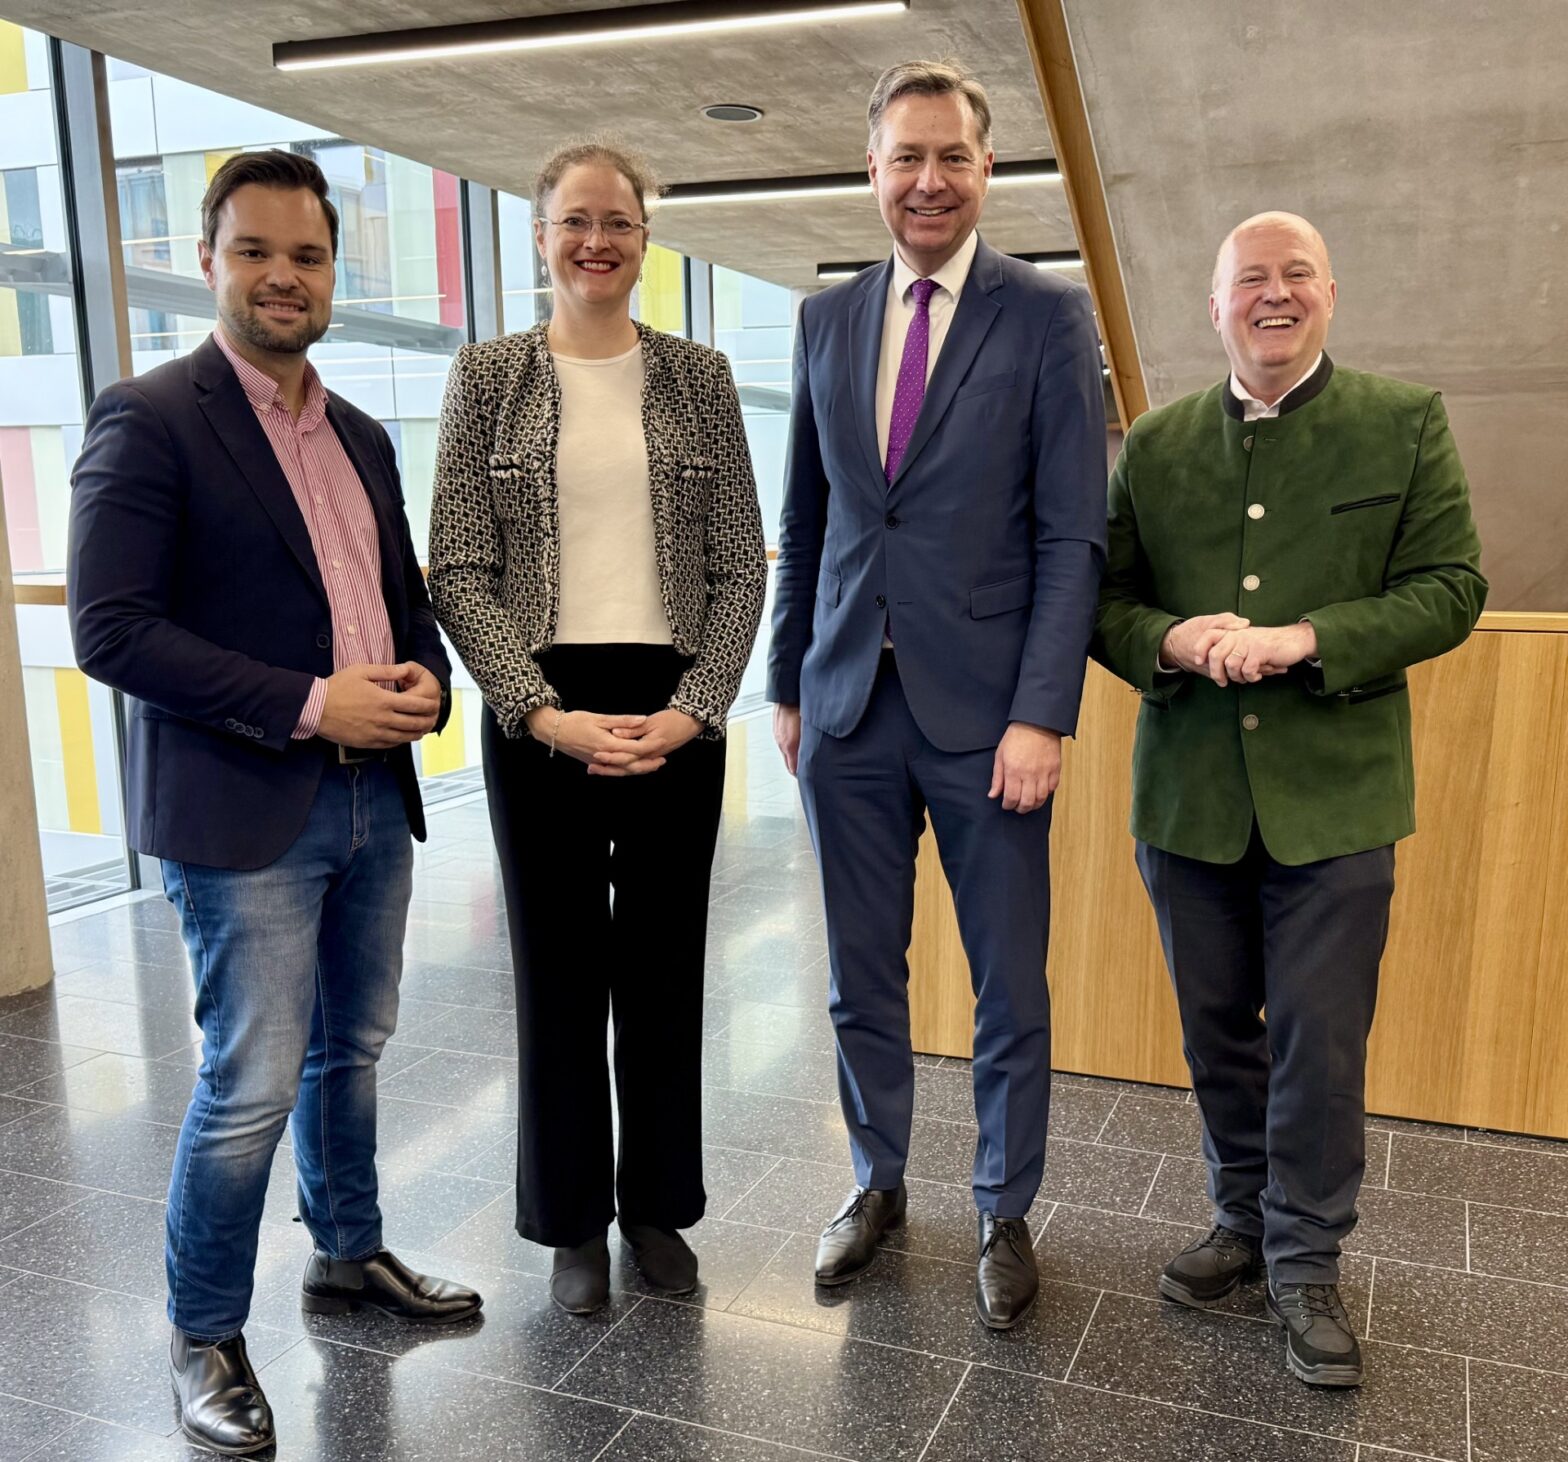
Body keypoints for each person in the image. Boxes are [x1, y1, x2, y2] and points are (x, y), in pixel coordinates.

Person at [68, 149, 481, 1456]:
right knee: (249, 1079)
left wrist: (427, 678)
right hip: (246, 806)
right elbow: (111, 628)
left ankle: (347, 1253)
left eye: (306, 255)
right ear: (209, 261)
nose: (283, 276)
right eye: (256, 251)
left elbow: (397, 600)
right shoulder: (150, 417)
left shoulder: (359, 431)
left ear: (331, 272)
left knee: (351, 1046)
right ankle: (204, 1333)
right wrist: (314, 701)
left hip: (373, 801)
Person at [1091, 211, 1486, 1387]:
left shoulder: (1400, 423)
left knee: (1318, 1040)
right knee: (1215, 1032)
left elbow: (1451, 588)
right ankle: (1243, 1220)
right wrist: (1170, 639)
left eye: (1294, 276)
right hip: (1189, 799)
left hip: (1337, 802)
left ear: (1329, 293)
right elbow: (1101, 602)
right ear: (1211, 307)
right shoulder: (1154, 446)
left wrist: (1311, 636)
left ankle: (1307, 1262)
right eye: (1247, 281)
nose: (1272, 295)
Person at [766, 60, 1107, 1330]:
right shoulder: (826, 321)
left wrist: (1042, 712)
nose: (926, 180)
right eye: (903, 158)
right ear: (870, 173)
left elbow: (1072, 536)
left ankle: (1003, 1207)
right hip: (845, 702)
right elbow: (806, 521)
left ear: (984, 169)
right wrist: (787, 679)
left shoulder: (1044, 317)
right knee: (861, 972)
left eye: (950, 158)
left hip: (988, 722)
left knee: (1005, 979)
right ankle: (876, 1183)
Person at [428, 141, 767, 1317]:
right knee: (559, 976)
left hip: (675, 706)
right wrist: (542, 713)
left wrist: (692, 709)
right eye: (575, 220)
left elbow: (738, 567)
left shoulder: (700, 377)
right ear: (539, 236)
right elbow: (458, 567)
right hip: (540, 713)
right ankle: (571, 1221)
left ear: (642, 236)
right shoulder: (486, 378)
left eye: (617, 221)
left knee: (666, 973)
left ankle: (657, 1209)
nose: (597, 241)